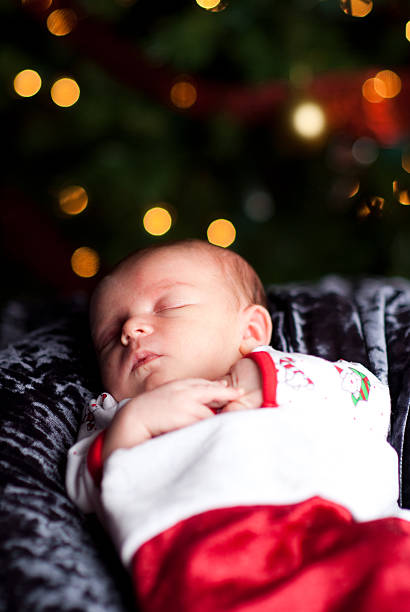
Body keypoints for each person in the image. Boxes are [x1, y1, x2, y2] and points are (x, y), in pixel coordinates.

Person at [66, 239, 410, 612]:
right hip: (214, 566)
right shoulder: (116, 413)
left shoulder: (286, 371)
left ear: (249, 331)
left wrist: (263, 380)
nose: (130, 330)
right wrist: (134, 422)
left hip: (353, 529)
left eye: (168, 307)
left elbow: (368, 403)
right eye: (107, 338)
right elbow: (85, 488)